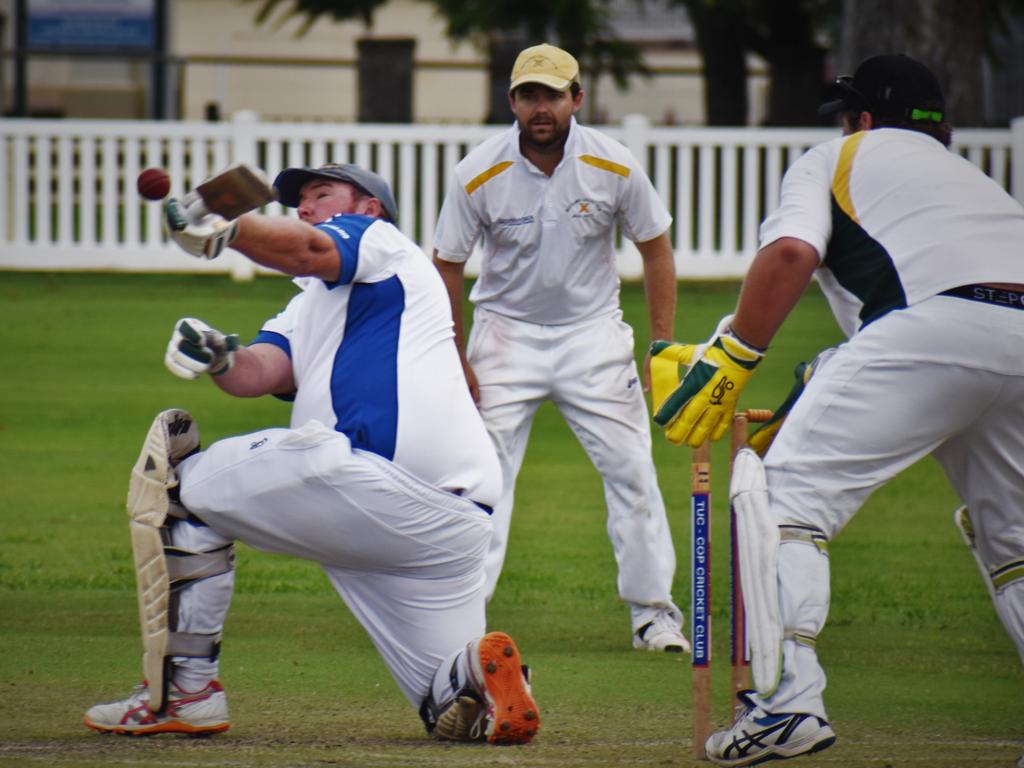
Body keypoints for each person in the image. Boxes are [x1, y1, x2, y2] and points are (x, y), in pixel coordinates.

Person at [650, 54, 1024, 765]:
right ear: (940, 127)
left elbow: (792, 252)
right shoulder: (979, 183)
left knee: (781, 500)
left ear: (860, 118)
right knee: (1016, 546)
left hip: (932, 329)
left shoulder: (836, 156)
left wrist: (734, 355)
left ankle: (788, 703)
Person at [83, 163, 540, 745]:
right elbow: (264, 372)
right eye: (299, 200)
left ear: (369, 207)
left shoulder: (382, 243)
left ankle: (187, 693)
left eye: (320, 194)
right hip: (449, 526)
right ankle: (481, 676)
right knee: (447, 704)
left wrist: (227, 229)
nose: (304, 206)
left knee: (179, 486)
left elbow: (305, 248)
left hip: (370, 483)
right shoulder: (307, 304)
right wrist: (220, 357)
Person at [431, 43, 688, 653]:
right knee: (483, 479)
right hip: (504, 335)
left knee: (632, 472)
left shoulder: (615, 164)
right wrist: (456, 357)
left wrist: (660, 346)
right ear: (512, 101)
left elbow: (656, 248)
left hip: (594, 337)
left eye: (552, 95)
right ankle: (463, 620)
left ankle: (653, 615)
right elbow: (447, 265)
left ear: (577, 98)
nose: (540, 108)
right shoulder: (477, 171)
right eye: (528, 96)